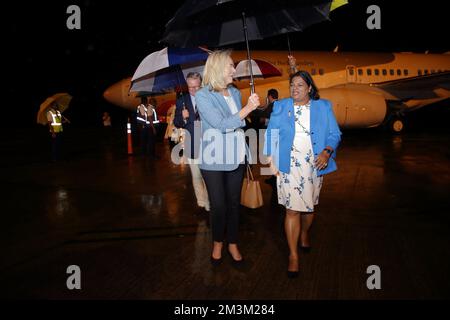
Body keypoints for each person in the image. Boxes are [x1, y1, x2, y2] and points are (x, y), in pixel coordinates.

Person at [264, 67, 342, 278]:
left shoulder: (323, 107)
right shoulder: (280, 106)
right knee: (292, 210)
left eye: (299, 85)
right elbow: (271, 132)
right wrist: (270, 159)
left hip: (314, 165)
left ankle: (305, 231)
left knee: (309, 208)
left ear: (309, 87)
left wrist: (327, 152)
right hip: (288, 166)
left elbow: (335, 133)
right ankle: (293, 255)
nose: (294, 88)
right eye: (292, 85)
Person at [195, 50, 260, 265]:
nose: (234, 69)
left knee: (233, 204)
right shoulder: (203, 95)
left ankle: (232, 243)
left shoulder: (234, 92)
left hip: (237, 156)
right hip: (213, 159)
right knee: (219, 205)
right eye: (231, 65)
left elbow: (238, 121)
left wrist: (251, 108)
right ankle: (217, 243)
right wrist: (247, 109)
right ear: (217, 68)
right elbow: (221, 124)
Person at [174, 72, 210, 212]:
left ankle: (209, 203)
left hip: (208, 143)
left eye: (197, 86)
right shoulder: (181, 101)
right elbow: (176, 122)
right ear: (186, 86)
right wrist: (183, 118)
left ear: (201, 84)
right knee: (196, 176)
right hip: (192, 143)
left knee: (209, 176)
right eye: (190, 87)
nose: (194, 90)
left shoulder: (208, 98)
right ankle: (202, 203)